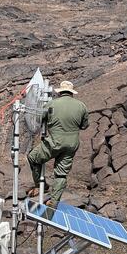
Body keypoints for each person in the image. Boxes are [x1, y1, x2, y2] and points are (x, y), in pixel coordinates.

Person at [27, 80, 89, 208]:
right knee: (61, 173)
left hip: (54, 142)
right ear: (72, 93)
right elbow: (84, 126)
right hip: (72, 144)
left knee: (33, 158)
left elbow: (39, 120)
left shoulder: (51, 104)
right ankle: (54, 202)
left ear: (60, 92)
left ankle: (40, 186)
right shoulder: (82, 106)